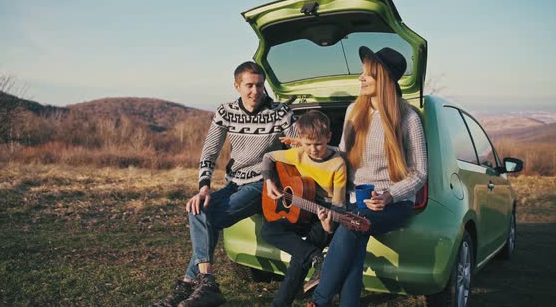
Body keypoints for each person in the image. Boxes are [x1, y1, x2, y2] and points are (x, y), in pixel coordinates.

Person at [153, 61, 297, 307]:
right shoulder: (225, 111)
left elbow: (299, 147)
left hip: (263, 184)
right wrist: (204, 187)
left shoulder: (280, 112)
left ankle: (197, 284)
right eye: (249, 85)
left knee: (211, 217)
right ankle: (197, 282)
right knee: (197, 207)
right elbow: (209, 151)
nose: (255, 91)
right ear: (237, 86)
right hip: (233, 183)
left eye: (260, 85)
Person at [308, 46, 428, 307]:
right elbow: (342, 154)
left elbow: (420, 173)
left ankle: (318, 301)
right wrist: (312, 147)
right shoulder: (354, 110)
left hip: (393, 204)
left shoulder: (408, 118)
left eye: (367, 75)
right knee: (355, 248)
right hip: (355, 200)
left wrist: (389, 195)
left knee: (354, 224)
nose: (360, 78)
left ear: (384, 79)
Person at [260, 110, 347, 307]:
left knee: (298, 261)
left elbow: (339, 206)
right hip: (300, 208)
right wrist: (269, 182)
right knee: (268, 230)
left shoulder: (338, 163)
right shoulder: (298, 153)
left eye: (319, 144)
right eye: (308, 144)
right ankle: (315, 257)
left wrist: (328, 226)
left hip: (323, 212)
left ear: (329, 138)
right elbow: (268, 157)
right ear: (300, 140)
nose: (313, 149)